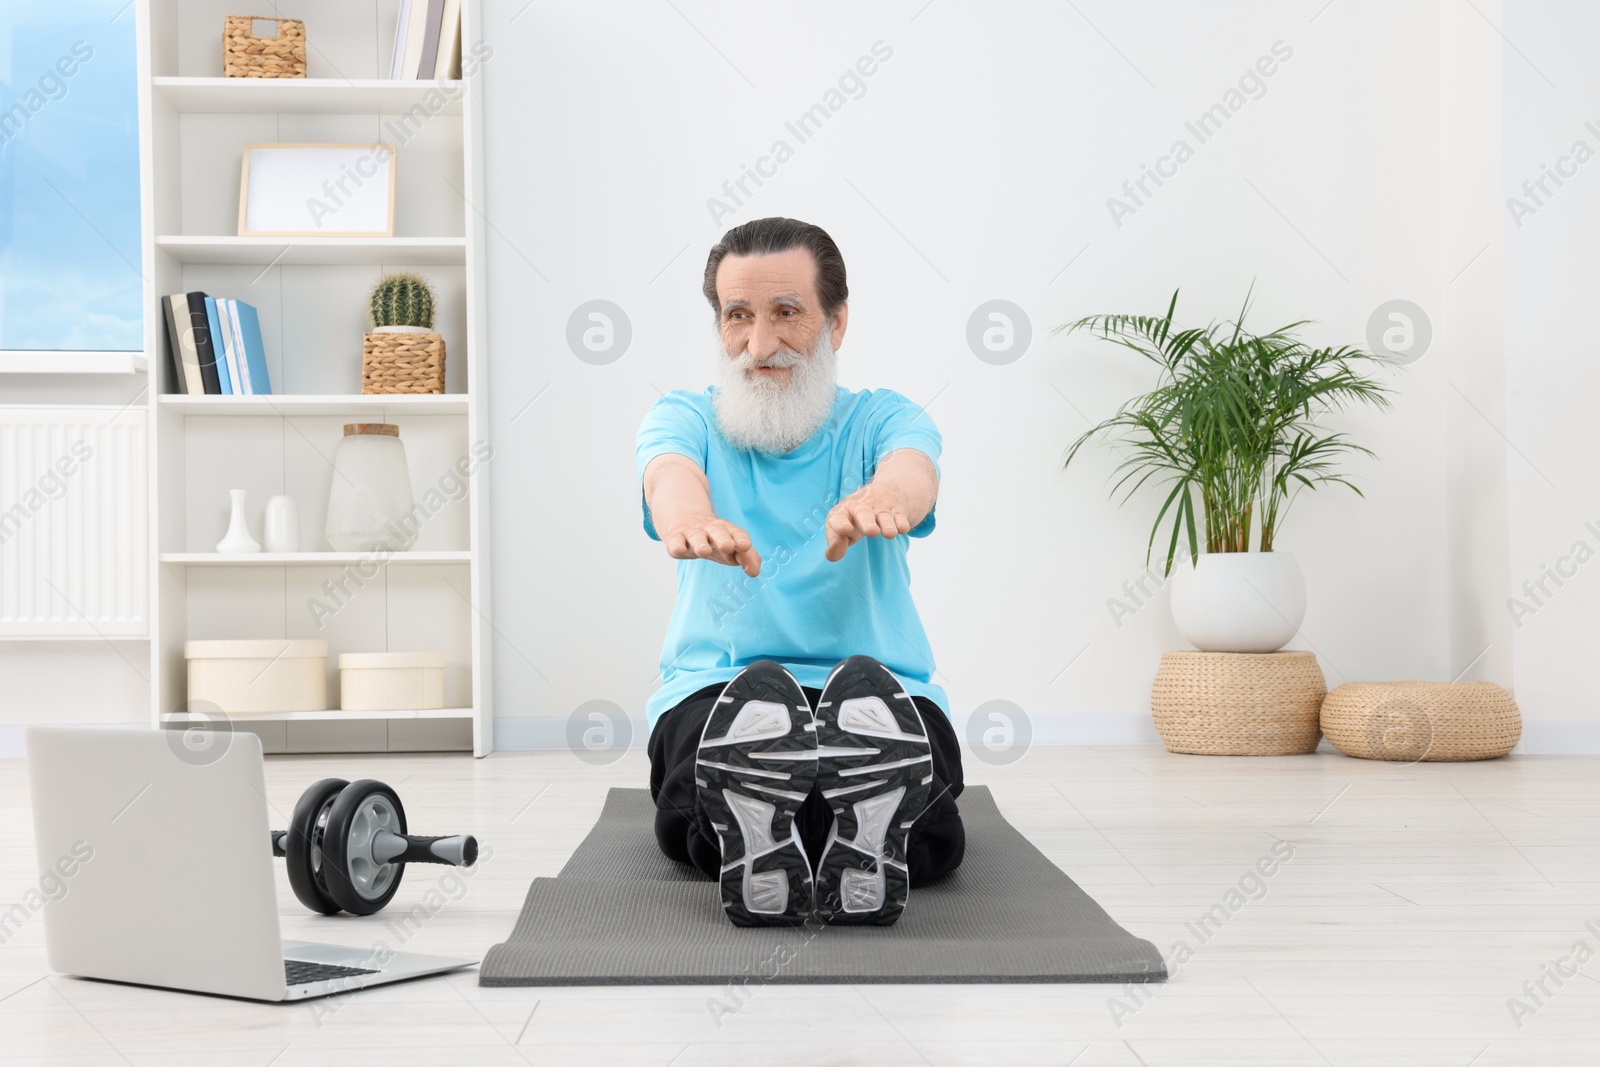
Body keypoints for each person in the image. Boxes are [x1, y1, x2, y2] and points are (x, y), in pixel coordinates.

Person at [637, 217, 964, 928]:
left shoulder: (883, 419)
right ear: (719, 325)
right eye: (738, 317)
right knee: (700, 792)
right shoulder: (684, 415)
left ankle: (811, 833)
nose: (760, 345)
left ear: (836, 321)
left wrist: (884, 497)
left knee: (932, 817)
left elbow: (914, 469)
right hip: (723, 690)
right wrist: (689, 515)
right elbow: (669, 475)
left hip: (883, 693)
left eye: (786, 313)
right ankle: (803, 833)